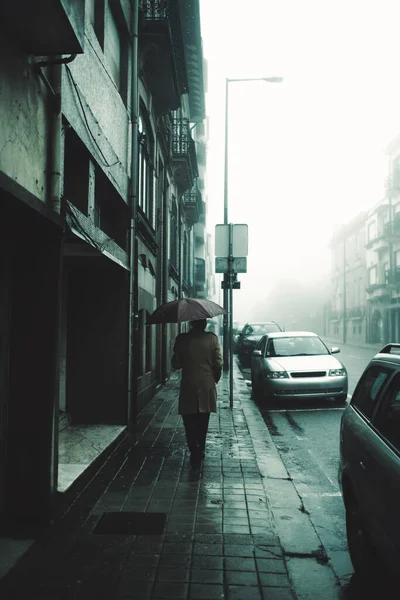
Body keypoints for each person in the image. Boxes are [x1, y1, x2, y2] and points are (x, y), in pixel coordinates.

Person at [171, 318, 223, 468]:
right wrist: (215, 379)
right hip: (207, 384)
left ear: (192, 323)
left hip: (188, 384)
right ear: (204, 324)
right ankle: (200, 448)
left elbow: (176, 364)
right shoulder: (212, 339)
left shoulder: (182, 339)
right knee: (203, 419)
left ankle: (194, 449)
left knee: (189, 420)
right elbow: (218, 363)